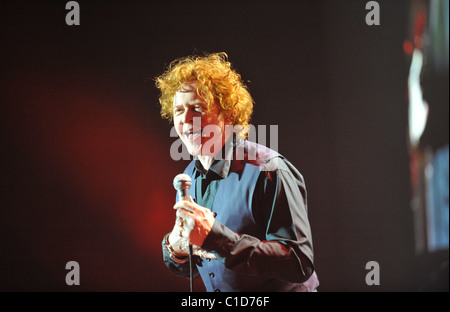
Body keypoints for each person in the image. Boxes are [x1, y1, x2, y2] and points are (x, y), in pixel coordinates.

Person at [156, 52, 319, 292]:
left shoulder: (269, 170)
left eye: (197, 108)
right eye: (178, 111)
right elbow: (200, 264)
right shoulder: (190, 176)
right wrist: (176, 249)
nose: (186, 120)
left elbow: (298, 263)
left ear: (228, 114)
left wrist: (215, 238)